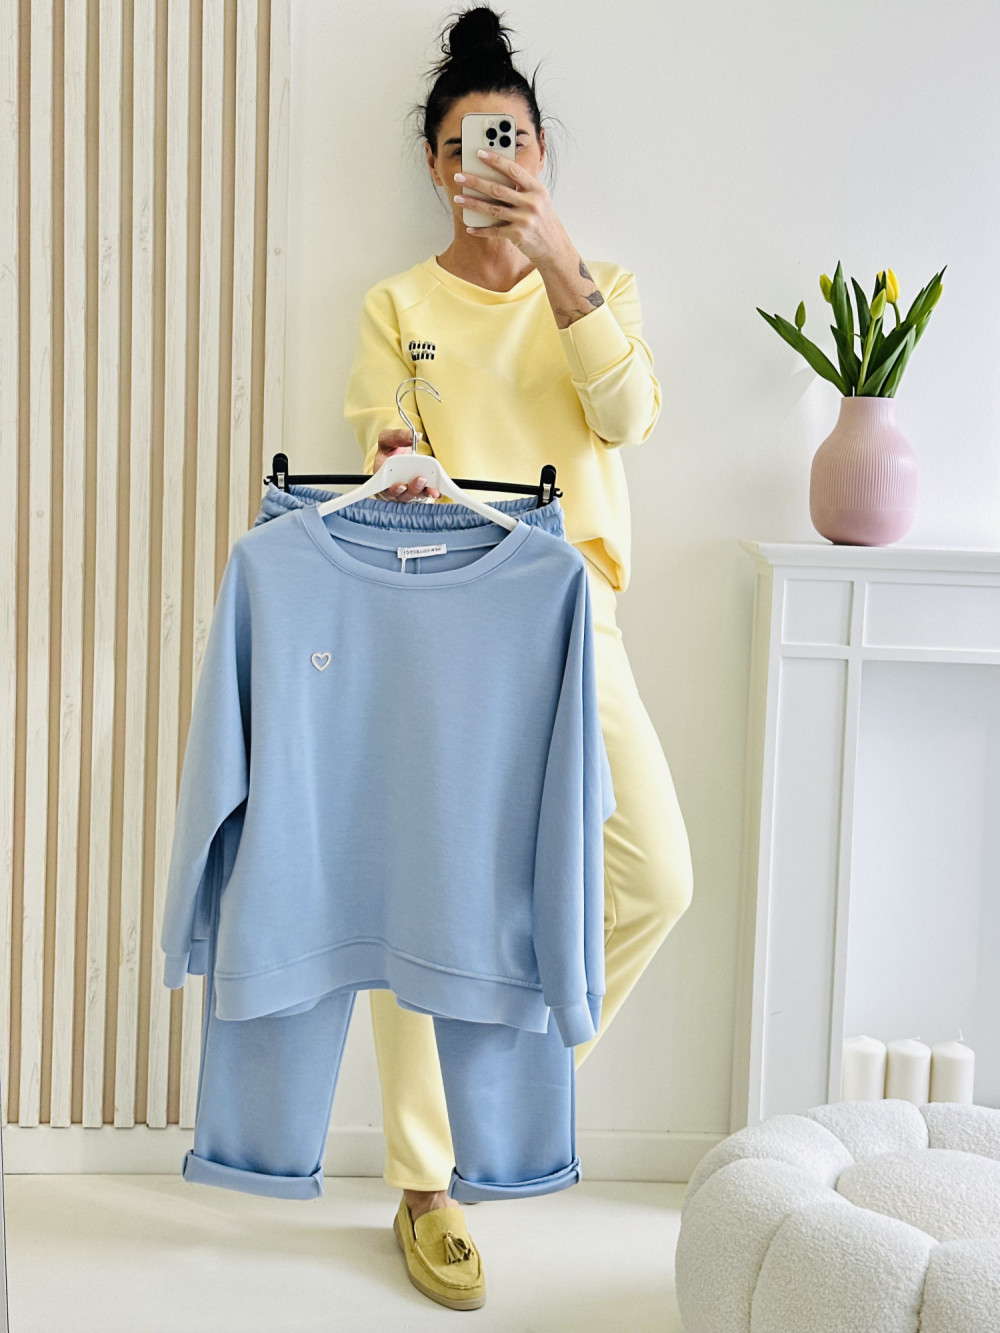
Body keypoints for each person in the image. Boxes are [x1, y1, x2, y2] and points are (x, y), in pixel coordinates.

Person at [342, 4, 694, 1311]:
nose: (483, 163)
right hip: (442, 613)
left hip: (572, 612)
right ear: (436, 166)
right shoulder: (396, 303)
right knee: (429, 896)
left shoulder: (599, 288)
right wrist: (402, 468)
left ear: (539, 157)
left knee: (654, 875)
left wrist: (557, 260)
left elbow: (629, 414)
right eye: (460, 146)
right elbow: (382, 448)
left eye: (508, 142)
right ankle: (425, 1182)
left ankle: (502, 1094)